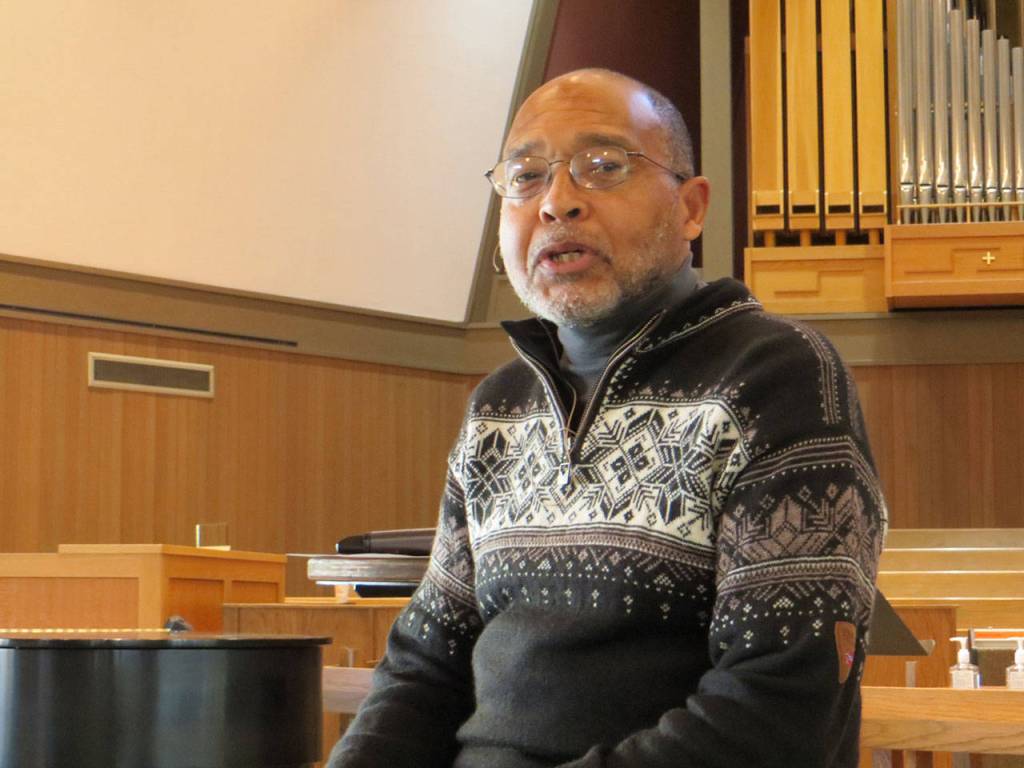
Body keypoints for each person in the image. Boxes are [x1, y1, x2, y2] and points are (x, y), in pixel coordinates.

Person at [327, 68, 886, 768]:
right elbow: (424, 667)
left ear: (691, 207)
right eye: (526, 177)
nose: (558, 202)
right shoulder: (498, 406)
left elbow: (781, 705)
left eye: (603, 167)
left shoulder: (776, 374)